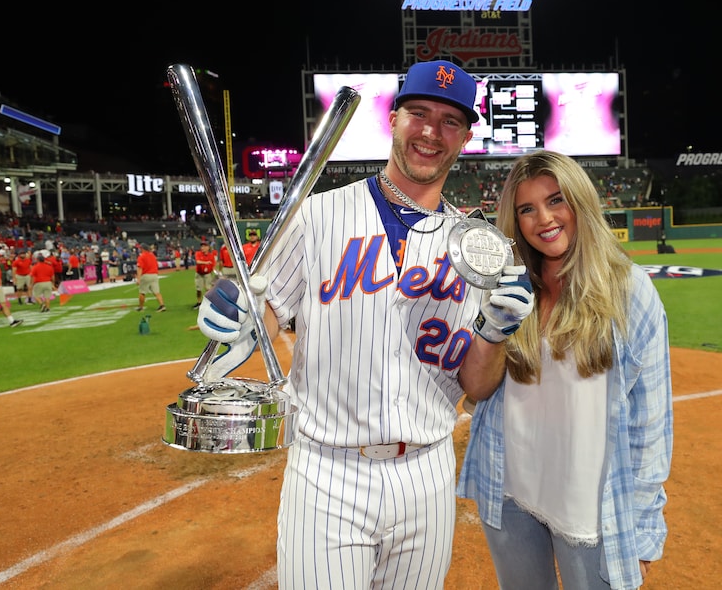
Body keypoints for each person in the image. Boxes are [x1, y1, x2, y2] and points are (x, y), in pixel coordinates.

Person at [196, 60, 534, 589]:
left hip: (426, 473)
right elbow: (266, 310)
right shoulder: (316, 215)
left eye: (449, 121)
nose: (430, 131)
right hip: (328, 472)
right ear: (393, 119)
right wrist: (238, 317)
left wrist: (494, 334)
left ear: (466, 137)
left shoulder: (475, 247)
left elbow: (478, 385)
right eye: (418, 113)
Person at [457, 151, 674, 590]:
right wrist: (495, 328)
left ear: (580, 201)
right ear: (514, 221)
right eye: (526, 209)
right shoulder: (508, 288)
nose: (544, 219)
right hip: (511, 493)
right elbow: (477, 390)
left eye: (556, 200)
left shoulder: (630, 290)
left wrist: (645, 529)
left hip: (589, 510)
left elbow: (650, 424)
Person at [135, 244, 166, 312]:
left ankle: (141, 307)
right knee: (157, 292)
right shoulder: (152, 256)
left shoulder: (141, 256)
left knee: (142, 292)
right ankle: (162, 305)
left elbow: (140, 268)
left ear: (142, 249)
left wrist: (138, 279)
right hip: (154, 275)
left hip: (146, 275)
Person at [192, 240, 217, 309]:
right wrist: (206, 263)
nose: (202, 247)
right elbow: (198, 262)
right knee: (198, 289)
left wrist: (213, 272)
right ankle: (199, 302)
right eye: (201, 246)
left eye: (204, 246)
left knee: (208, 289)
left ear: (208, 247)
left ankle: (210, 302)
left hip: (207, 274)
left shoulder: (211, 256)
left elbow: (213, 265)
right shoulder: (198, 253)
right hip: (199, 274)